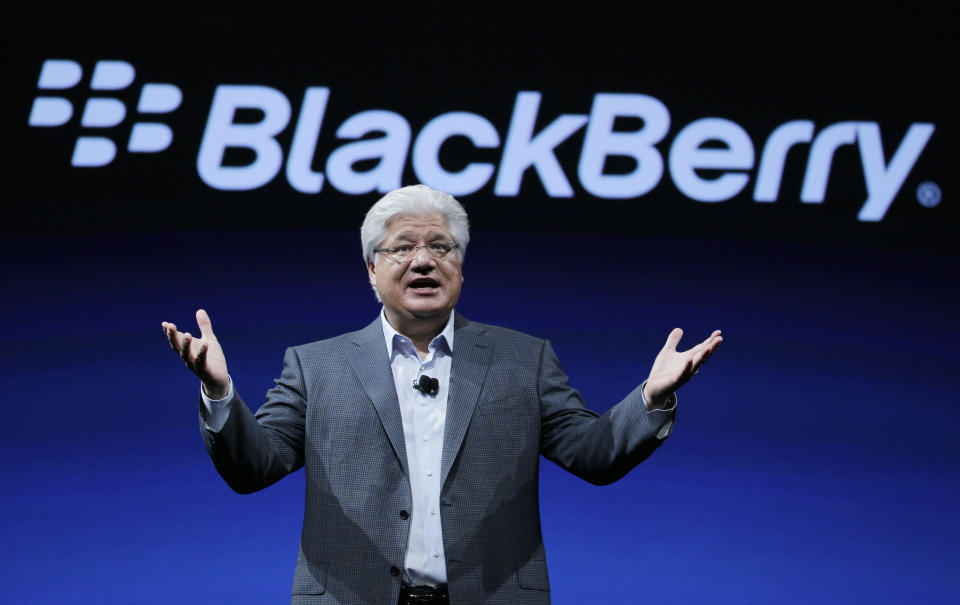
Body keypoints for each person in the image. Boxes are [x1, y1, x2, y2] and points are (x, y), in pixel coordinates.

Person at [162, 184, 722, 605]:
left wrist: (650, 397)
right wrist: (218, 390)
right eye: (403, 248)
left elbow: (593, 454)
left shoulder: (523, 359)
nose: (424, 260)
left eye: (441, 247)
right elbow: (254, 466)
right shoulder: (316, 366)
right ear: (371, 270)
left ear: (460, 265)